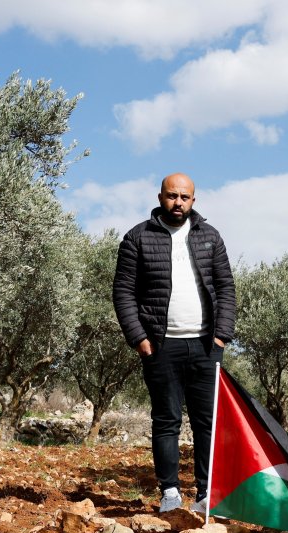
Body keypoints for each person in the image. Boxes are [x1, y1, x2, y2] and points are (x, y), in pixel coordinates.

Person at [113, 173, 235, 513]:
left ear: (194, 200)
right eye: (172, 196)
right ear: (160, 197)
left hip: (205, 345)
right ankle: (169, 494)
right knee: (166, 420)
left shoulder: (210, 236)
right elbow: (123, 292)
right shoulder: (138, 237)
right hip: (160, 346)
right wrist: (139, 339)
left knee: (206, 423)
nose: (178, 202)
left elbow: (226, 288)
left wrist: (222, 336)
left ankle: (206, 494)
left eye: (184, 197)